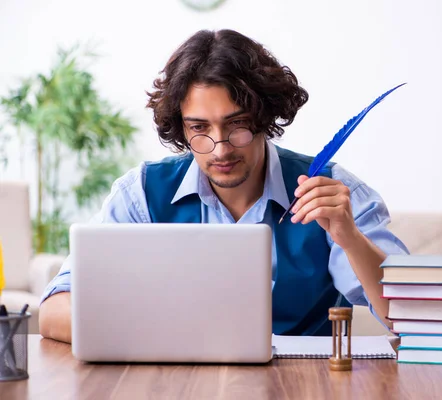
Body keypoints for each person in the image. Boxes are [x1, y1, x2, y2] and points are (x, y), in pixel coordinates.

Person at [38, 29, 408, 343]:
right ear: (181, 127)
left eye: (238, 124)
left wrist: (350, 237)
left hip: (304, 386)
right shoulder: (141, 194)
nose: (221, 147)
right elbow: (54, 310)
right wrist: (154, 335)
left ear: (265, 116)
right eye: (199, 128)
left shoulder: (335, 192)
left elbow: (409, 318)